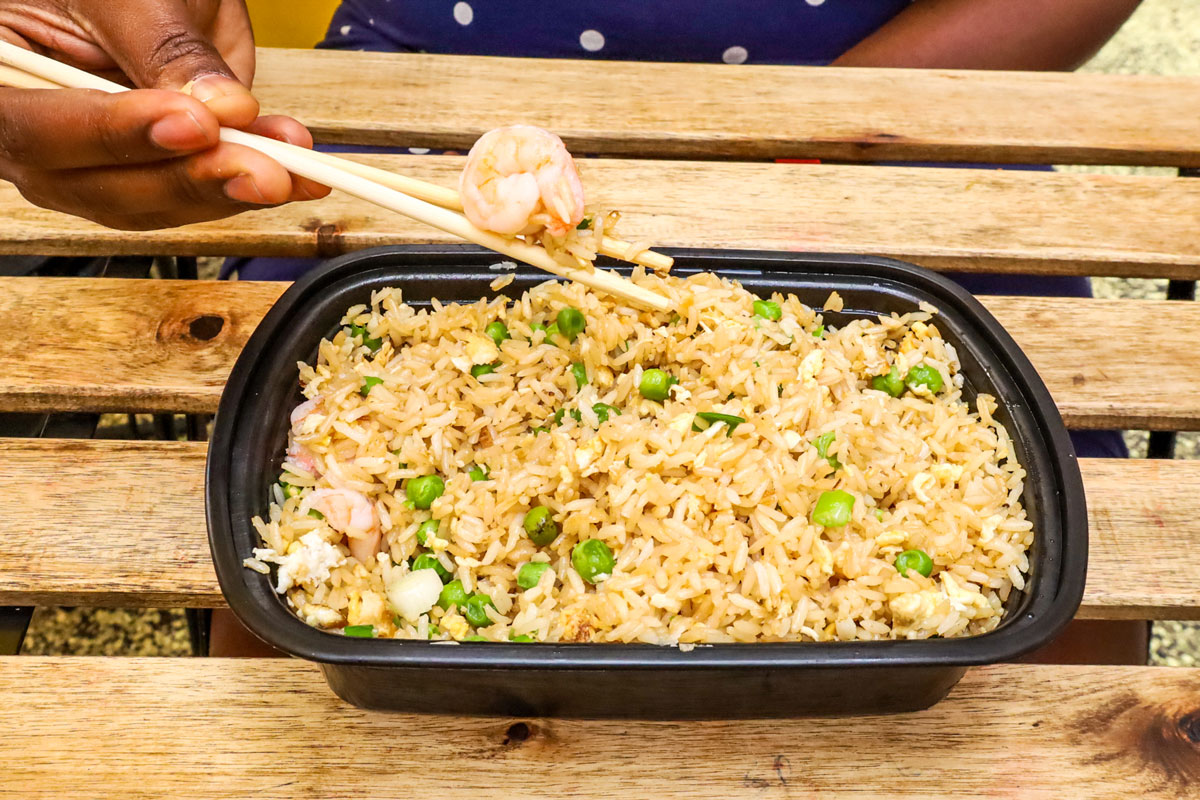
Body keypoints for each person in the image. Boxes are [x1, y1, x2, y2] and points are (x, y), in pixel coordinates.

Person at [0, 0, 1145, 659]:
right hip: (410, 91)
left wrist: (809, 137)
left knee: (1080, 662)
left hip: (900, 106)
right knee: (287, 648)